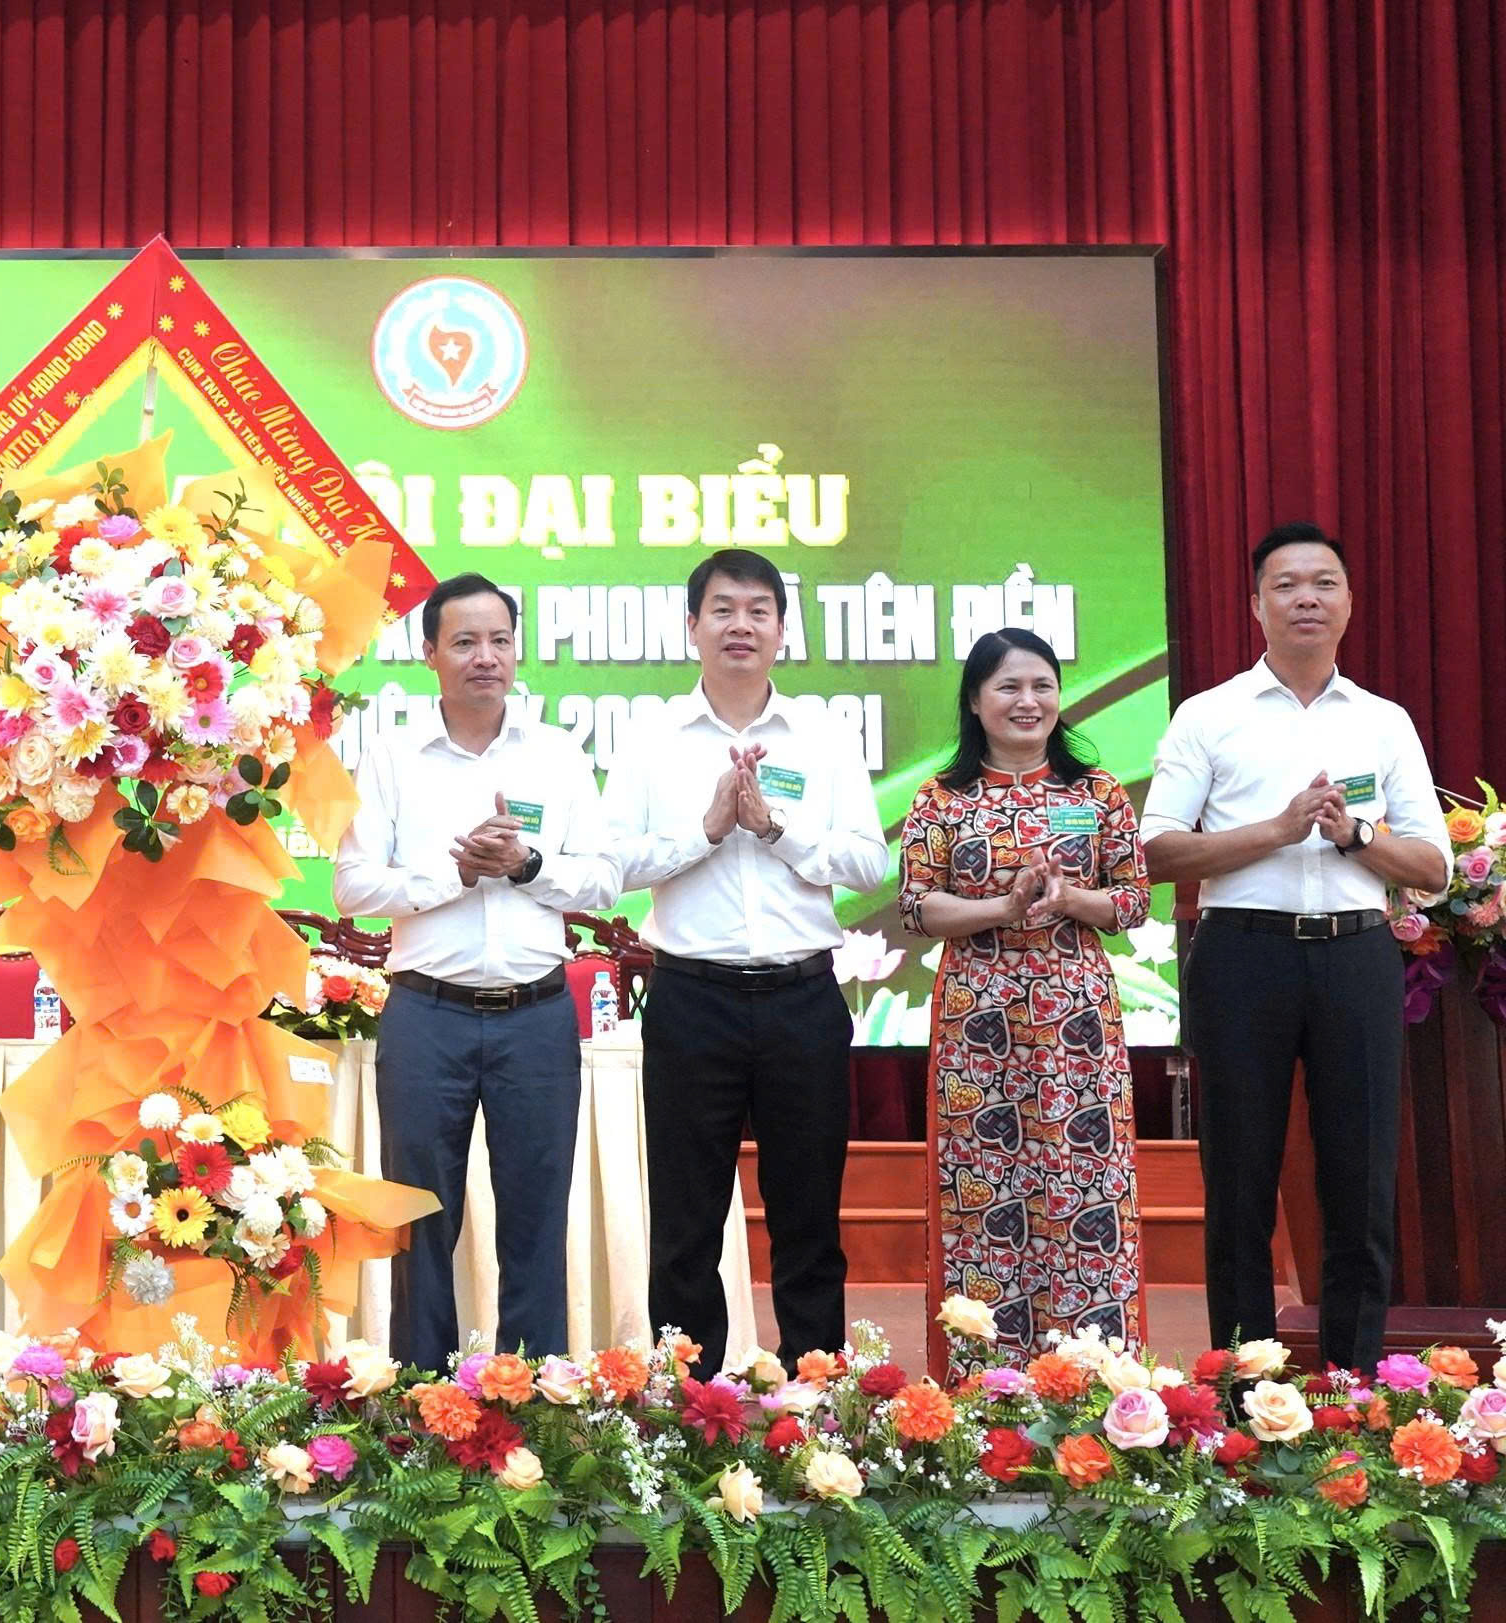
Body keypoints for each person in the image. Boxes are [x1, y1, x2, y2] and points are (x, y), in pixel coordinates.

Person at [1144, 523, 1448, 1371]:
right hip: (1242, 955)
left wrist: (1355, 835)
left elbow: (1432, 865)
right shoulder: (1209, 716)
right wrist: (1275, 831)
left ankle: (1350, 1388)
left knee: (1361, 1181)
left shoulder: (1383, 722)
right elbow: (1155, 849)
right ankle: (1246, 1393)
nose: (1306, 597)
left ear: (1348, 601)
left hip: (1356, 955)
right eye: (1285, 584)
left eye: (1324, 582)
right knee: (1239, 1183)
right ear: (1256, 605)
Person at [602, 548, 890, 1377]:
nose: (741, 625)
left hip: (803, 998)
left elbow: (869, 863)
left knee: (808, 1216)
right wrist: (705, 829)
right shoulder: (651, 740)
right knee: (686, 1222)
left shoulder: (824, 736)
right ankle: (691, 1406)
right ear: (692, 627)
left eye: (758, 610)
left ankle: (818, 1397)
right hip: (693, 999)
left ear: (781, 630)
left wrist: (773, 828)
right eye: (723, 609)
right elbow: (612, 865)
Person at [332, 573, 618, 1367]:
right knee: (422, 1219)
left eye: (499, 640)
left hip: (537, 1015)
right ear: (429, 652)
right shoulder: (392, 757)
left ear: (516, 650)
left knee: (536, 1218)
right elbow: (352, 885)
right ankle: (422, 1399)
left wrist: (527, 865)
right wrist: (451, 875)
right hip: (428, 1016)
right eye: (464, 641)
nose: (484, 656)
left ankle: (534, 1400)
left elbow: (603, 879)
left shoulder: (557, 754)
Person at [899, 629, 1151, 1373]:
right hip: (979, 1016)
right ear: (975, 701)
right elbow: (917, 906)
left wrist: (1070, 897)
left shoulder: (1097, 793)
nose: (1027, 701)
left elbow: (1134, 900)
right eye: (1008, 686)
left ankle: (1093, 1377)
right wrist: (1001, 910)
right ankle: (988, 1384)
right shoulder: (942, 798)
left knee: (1084, 1181)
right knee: (985, 1187)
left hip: (1076, 1017)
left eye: (1042, 685)